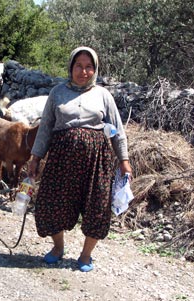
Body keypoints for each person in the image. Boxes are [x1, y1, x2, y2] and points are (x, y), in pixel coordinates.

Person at [28, 46, 132, 272]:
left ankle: (86, 256)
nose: (83, 71)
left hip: (97, 161)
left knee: (97, 206)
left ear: (94, 70)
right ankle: (58, 248)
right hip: (61, 159)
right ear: (71, 67)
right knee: (51, 202)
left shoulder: (103, 95)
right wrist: (35, 158)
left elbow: (118, 130)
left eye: (88, 67)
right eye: (78, 66)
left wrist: (124, 161)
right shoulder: (57, 93)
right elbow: (45, 127)